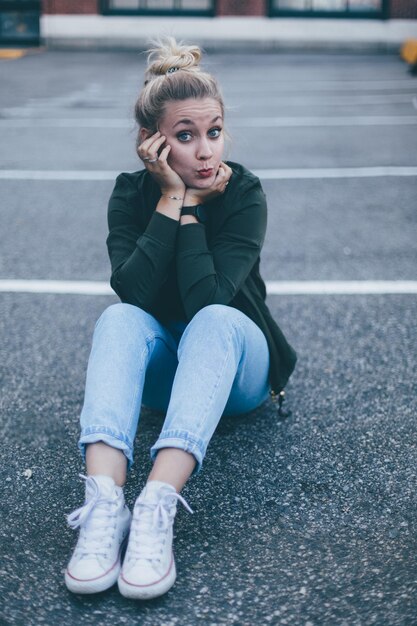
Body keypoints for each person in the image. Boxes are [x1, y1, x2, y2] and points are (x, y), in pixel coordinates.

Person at [64, 37, 297, 600]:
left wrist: (191, 212)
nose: (205, 151)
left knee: (215, 317)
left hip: (237, 365)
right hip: (171, 370)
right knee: (117, 320)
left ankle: (155, 506)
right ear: (153, 143)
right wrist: (172, 200)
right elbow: (135, 292)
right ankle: (105, 506)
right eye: (185, 136)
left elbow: (209, 297)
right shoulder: (130, 194)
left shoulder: (243, 192)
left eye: (213, 131)